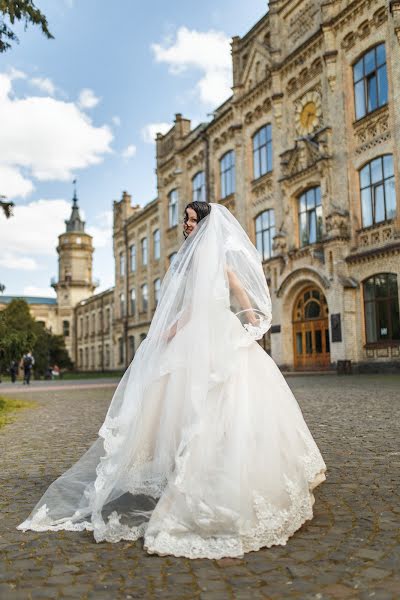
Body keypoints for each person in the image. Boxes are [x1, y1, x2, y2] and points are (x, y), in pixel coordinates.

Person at [17, 202, 326, 559]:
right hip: (205, 334)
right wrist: (187, 327)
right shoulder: (199, 258)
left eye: (193, 220)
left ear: (206, 225)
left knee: (220, 399)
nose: (187, 225)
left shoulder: (208, 260)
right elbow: (208, 299)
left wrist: (247, 320)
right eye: (186, 219)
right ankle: (195, 467)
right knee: (195, 402)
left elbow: (223, 295)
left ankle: (220, 473)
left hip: (210, 335)